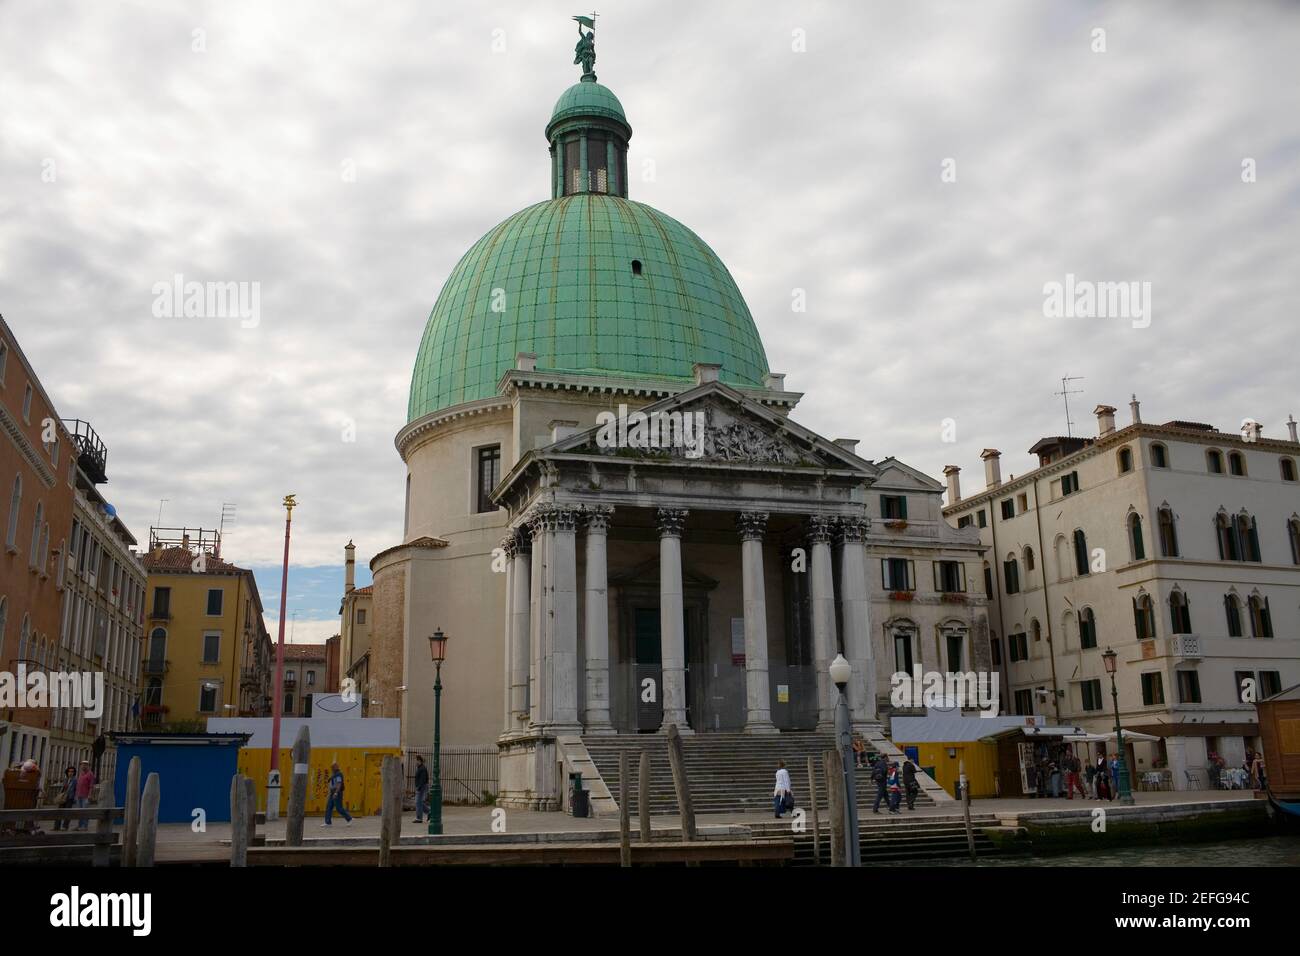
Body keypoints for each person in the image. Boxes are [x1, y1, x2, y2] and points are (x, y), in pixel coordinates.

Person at [321, 761, 353, 827]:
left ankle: (349, 819)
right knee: (329, 806)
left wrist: (336, 792)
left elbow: (339, 784)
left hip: (337, 792)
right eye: (331, 767)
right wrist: (330, 793)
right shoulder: (333, 774)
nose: (332, 768)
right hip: (332, 792)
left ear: (336, 767)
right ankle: (328, 823)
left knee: (339, 808)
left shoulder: (338, 774)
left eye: (333, 767)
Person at [54, 766, 77, 831]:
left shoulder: (75, 780)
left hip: (69, 798)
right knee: (59, 812)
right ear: (67, 772)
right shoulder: (65, 779)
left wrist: (74, 798)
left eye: (72, 771)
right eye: (69, 771)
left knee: (67, 812)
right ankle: (56, 826)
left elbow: (75, 789)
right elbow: (63, 788)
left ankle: (65, 826)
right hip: (63, 797)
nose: (71, 773)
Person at [74, 761, 95, 831]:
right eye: (82, 765)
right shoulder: (81, 774)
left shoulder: (90, 774)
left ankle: (85, 826)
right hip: (79, 795)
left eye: (85, 765)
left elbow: (91, 786)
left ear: (88, 766)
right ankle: (79, 825)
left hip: (85, 796)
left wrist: (90, 795)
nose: (83, 766)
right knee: (79, 811)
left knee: (85, 811)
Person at [413, 755, 429, 823]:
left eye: (416, 760)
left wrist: (419, 787)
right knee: (419, 802)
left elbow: (422, 779)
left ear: (419, 761)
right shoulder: (420, 768)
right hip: (421, 787)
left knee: (418, 802)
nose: (415, 762)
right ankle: (430, 812)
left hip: (421, 787)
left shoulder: (422, 768)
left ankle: (419, 818)